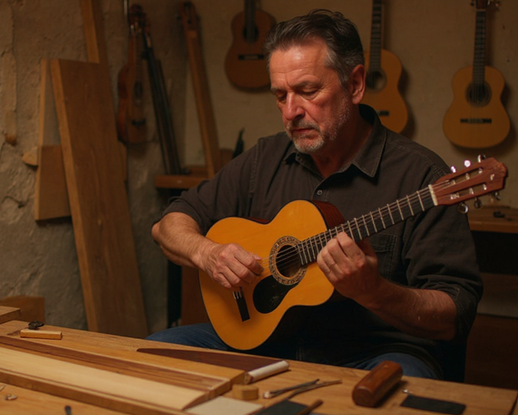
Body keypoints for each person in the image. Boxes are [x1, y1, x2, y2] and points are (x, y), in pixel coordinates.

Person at [148, 9, 482, 380]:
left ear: (354, 85)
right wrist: (207, 253)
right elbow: (168, 226)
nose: (290, 112)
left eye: (308, 91)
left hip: (375, 352)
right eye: (280, 95)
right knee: (151, 356)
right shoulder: (266, 157)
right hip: (262, 342)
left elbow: (457, 313)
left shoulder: (422, 177)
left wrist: (376, 292)